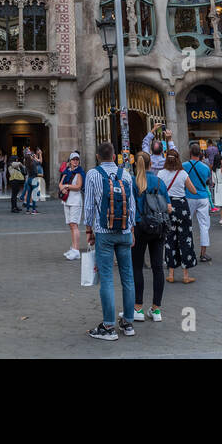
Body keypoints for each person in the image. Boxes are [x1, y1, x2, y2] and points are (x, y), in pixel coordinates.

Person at [83, 141, 138, 341]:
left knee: (106, 278)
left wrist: (88, 230)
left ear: (98, 156)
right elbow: (131, 205)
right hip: (124, 231)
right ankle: (129, 322)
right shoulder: (126, 175)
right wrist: (131, 229)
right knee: (128, 277)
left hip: (104, 232)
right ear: (114, 156)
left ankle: (108, 326)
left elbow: (89, 205)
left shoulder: (93, 174)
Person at [130, 151, 168, 323]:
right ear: (150, 164)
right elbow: (168, 206)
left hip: (140, 227)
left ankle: (138, 307)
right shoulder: (159, 181)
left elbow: (131, 207)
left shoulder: (133, 182)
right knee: (158, 267)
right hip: (158, 226)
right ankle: (156, 309)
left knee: (137, 267)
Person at [158, 148, 199, 284]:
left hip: (167, 206)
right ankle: (186, 275)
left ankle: (170, 274)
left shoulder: (161, 173)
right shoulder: (182, 174)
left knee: (169, 240)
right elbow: (193, 190)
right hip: (182, 207)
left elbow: (157, 191)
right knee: (185, 238)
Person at [184, 143, 213, 263]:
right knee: (204, 225)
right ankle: (203, 253)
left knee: (186, 224)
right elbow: (207, 181)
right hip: (202, 197)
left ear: (190, 152)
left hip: (189, 197)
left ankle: (186, 250)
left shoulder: (184, 166)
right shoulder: (205, 167)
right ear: (200, 153)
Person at [59, 151, 85, 260]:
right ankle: (73, 247)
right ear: (70, 160)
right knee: (71, 225)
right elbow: (60, 183)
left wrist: (67, 186)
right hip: (67, 200)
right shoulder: (67, 171)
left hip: (75, 200)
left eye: (77, 159)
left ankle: (76, 250)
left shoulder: (80, 172)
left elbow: (78, 186)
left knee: (74, 225)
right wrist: (62, 188)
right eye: (73, 159)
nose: (75, 161)